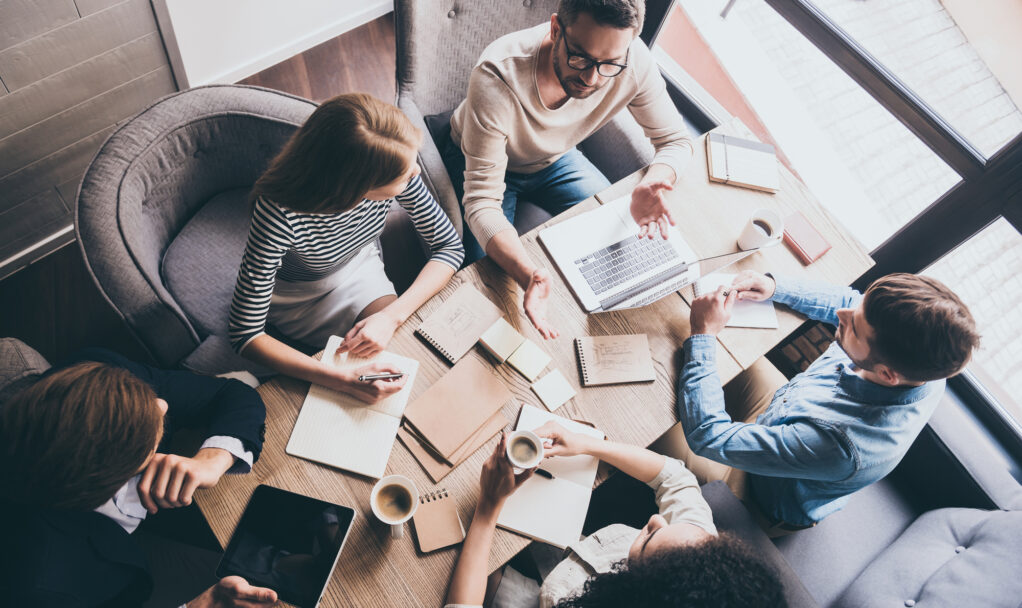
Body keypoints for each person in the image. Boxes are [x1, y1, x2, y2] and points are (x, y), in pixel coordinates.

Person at [441, 0, 693, 339]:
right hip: (483, 162)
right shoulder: (498, 76)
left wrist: (655, 181)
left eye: (609, 64)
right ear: (556, 29)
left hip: (556, 158)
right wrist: (528, 274)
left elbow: (676, 141)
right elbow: (482, 203)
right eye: (581, 58)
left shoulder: (634, 62)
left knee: (619, 236)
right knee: (485, 280)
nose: (591, 78)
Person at [676, 271, 980, 532]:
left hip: (756, 493)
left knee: (653, 425)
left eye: (855, 327)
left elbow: (708, 436)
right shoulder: (927, 366)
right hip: (785, 412)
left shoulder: (839, 446)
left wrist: (704, 333)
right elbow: (850, 302)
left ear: (888, 374)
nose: (842, 315)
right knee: (698, 357)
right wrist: (776, 287)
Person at [229, 93, 464, 403]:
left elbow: (449, 246)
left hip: (359, 265)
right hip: (301, 298)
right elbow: (245, 333)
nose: (417, 173)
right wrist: (344, 381)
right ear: (358, 187)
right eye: (405, 174)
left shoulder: (402, 169)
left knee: (399, 353)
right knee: (365, 378)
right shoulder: (278, 214)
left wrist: (391, 316)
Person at [0, 348, 275, 607]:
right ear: (112, 475)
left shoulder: (96, 375)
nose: (161, 404)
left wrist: (212, 460)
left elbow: (232, 394)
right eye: (142, 436)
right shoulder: (42, 585)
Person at [443, 427, 786, 608]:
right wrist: (589, 444)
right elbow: (675, 478)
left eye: (649, 539)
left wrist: (488, 507)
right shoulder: (700, 559)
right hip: (569, 549)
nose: (656, 520)